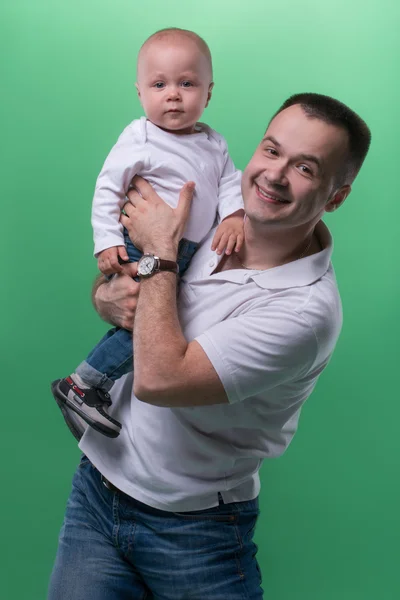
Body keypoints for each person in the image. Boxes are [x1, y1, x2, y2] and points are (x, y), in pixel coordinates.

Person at [48, 93, 371, 600]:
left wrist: (159, 251)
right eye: (271, 150)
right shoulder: (212, 218)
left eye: (305, 167)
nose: (274, 175)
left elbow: (161, 378)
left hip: (194, 530)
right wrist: (107, 297)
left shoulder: (305, 312)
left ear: (336, 196)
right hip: (96, 491)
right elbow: (127, 288)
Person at [51, 27, 244, 438]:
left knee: (158, 326)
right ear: (140, 93)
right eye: (160, 84)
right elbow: (108, 188)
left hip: (186, 252)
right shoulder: (140, 135)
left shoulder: (214, 142)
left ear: (208, 94)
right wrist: (105, 241)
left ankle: (87, 385)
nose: (173, 94)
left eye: (186, 83)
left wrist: (233, 217)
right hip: (144, 244)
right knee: (143, 321)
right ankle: (84, 384)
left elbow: (229, 183)